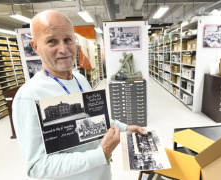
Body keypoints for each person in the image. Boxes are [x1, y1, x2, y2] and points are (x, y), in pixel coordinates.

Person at [12, 10, 145, 180]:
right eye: (52, 41)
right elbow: (37, 166)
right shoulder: (29, 96)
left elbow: (95, 117)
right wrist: (101, 153)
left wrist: (125, 127)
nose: (63, 49)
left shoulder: (81, 79)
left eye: (68, 40)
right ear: (35, 46)